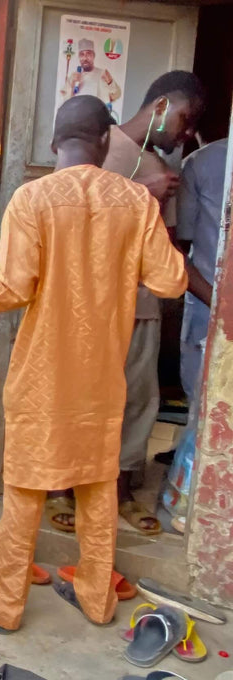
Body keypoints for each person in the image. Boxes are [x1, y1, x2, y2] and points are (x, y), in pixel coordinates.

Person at [0, 96, 187, 633]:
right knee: (99, 491)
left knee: (25, 493)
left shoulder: (31, 199)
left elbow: (13, 288)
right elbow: (171, 281)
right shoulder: (134, 201)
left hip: (41, 380)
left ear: (55, 143)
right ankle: (96, 598)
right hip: (103, 382)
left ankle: (3, 605)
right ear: (105, 141)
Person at [73, 70, 204, 536]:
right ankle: (66, 489)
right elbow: (70, 220)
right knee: (81, 398)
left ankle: (121, 491)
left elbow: (165, 250)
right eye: (185, 121)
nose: (186, 135)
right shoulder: (94, 146)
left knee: (137, 399)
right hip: (86, 304)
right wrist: (138, 194)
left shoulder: (156, 165)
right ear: (163, 106)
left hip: (140, 304)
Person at [164, 136, 227, 532]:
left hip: (212, 305)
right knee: (200, 408)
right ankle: (187, 504)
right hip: (207, 304)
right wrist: (217, 303)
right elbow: (179, 247)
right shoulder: (203, 164)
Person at [61, 38, 122, 109]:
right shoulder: (73, 77)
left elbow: (117, 95)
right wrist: (72, 85)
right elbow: (66, 103)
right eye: (82, 54)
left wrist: (110, 82)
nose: (85, 58)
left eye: (88, 54)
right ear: (79, 57)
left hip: (97, 117)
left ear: (94, 56)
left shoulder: (102, 74)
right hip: (78, 117)